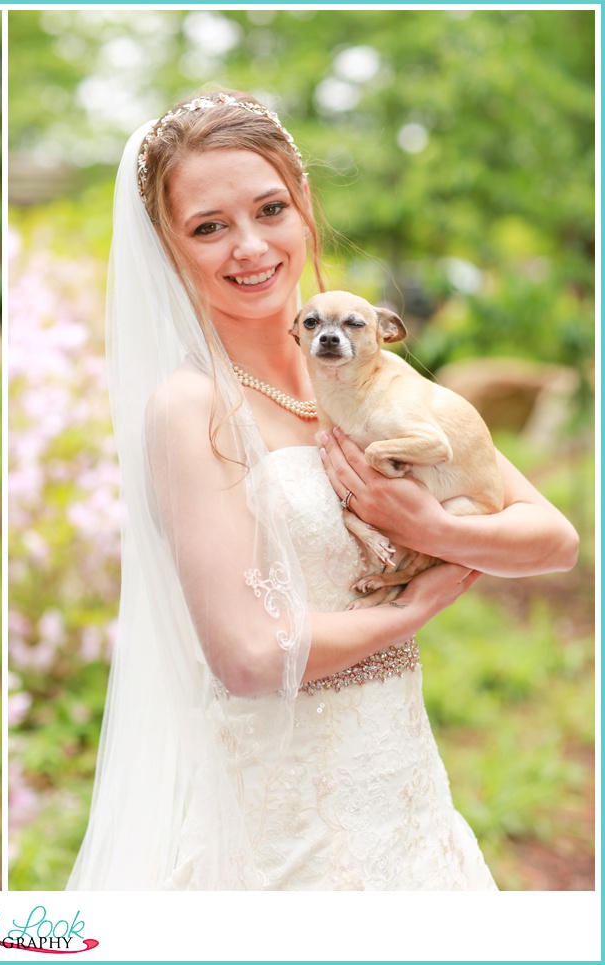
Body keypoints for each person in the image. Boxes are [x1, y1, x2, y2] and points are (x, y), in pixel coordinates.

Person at [66, 90, 578, 890]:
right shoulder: (193, 408)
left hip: (409, 800)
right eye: (209, 226)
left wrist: (427, 527)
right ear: (169, 246)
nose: (250, 248)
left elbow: (552, 538)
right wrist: (409, 609)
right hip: (290, 833)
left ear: (305, 210)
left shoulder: (372, 376)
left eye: (271, 209)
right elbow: (242, 654)